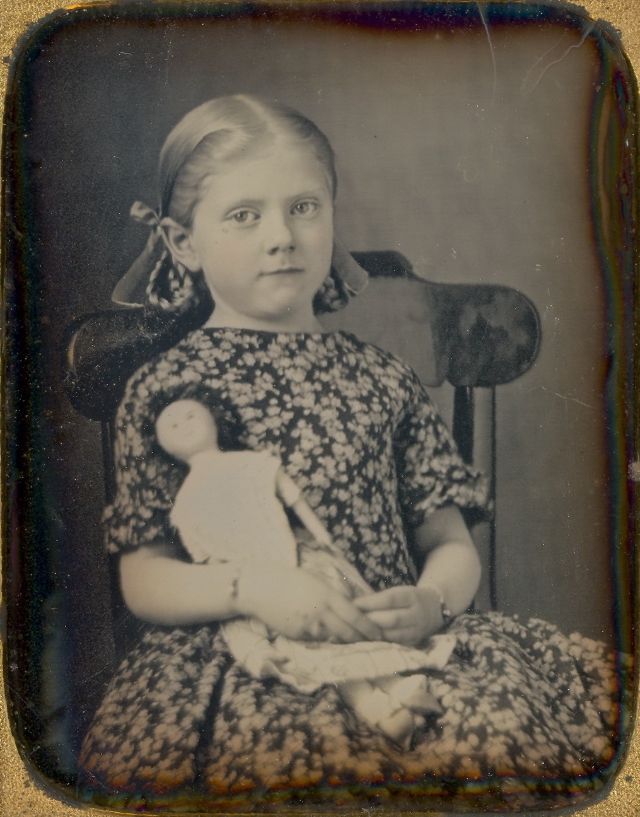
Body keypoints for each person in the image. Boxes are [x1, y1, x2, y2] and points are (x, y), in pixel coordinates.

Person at [79, 94, 623, 808]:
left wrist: (432, 600)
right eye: (244, 215)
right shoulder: (165, 390)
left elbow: (451, 544)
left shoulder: (382, 377)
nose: (282, 236)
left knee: (495, 743)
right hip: (243, 657)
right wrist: (253, 590)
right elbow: (144, 578)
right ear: (183, 243)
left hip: (395, 646)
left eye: (304, 207)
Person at [154, 395, 455, 745]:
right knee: (304, 647)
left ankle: (397, 685)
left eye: (191, 414)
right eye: (171, 425)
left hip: (297, 558)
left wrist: (322, 537)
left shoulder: (253, 464)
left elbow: (294, 501)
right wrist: (241, 586)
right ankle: (377, 707)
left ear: (212, 417)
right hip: (256, 589)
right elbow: (203, 557)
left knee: (343, 623)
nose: (183, 424)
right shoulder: (185, 502)